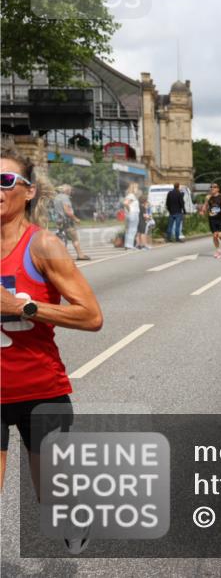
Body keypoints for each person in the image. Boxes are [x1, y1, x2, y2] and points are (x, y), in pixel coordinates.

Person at [1, 142, 103, 553]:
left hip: (39, 391)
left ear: (28, 191)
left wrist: (23, 306)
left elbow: (91, 316)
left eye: (5, 180)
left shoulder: (43, 246)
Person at [52, 185, 90, 261]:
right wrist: (76, 219)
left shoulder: (56, 198)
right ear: (67, 191)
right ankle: (80, 255)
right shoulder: (65, 198)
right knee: (75, 239)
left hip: (59, 221)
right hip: (67, 221)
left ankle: (63, 256)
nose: (71, 192)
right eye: (71, 190)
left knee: (62, 239)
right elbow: (67, 211)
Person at [200, 184, 221, 259]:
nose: (212, 188)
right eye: (211, 187)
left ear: (218, 189)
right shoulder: (208, 197)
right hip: (212, 219)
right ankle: (218, 251)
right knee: (214, 236)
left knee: (220, 235)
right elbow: (205, 205)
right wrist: (202, 211)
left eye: (214, 187)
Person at [122, 182, 140, 250]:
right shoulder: (131, 195)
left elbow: (126, 203)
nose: (137, 189)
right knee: (133, 230)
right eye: (136, 188)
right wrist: (130, 210)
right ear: (133, 188)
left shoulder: (129, 195)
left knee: (129, 229)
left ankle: (127, 245)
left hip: (130, 214)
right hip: (133, 214)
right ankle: (129, 245)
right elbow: (125, 203)